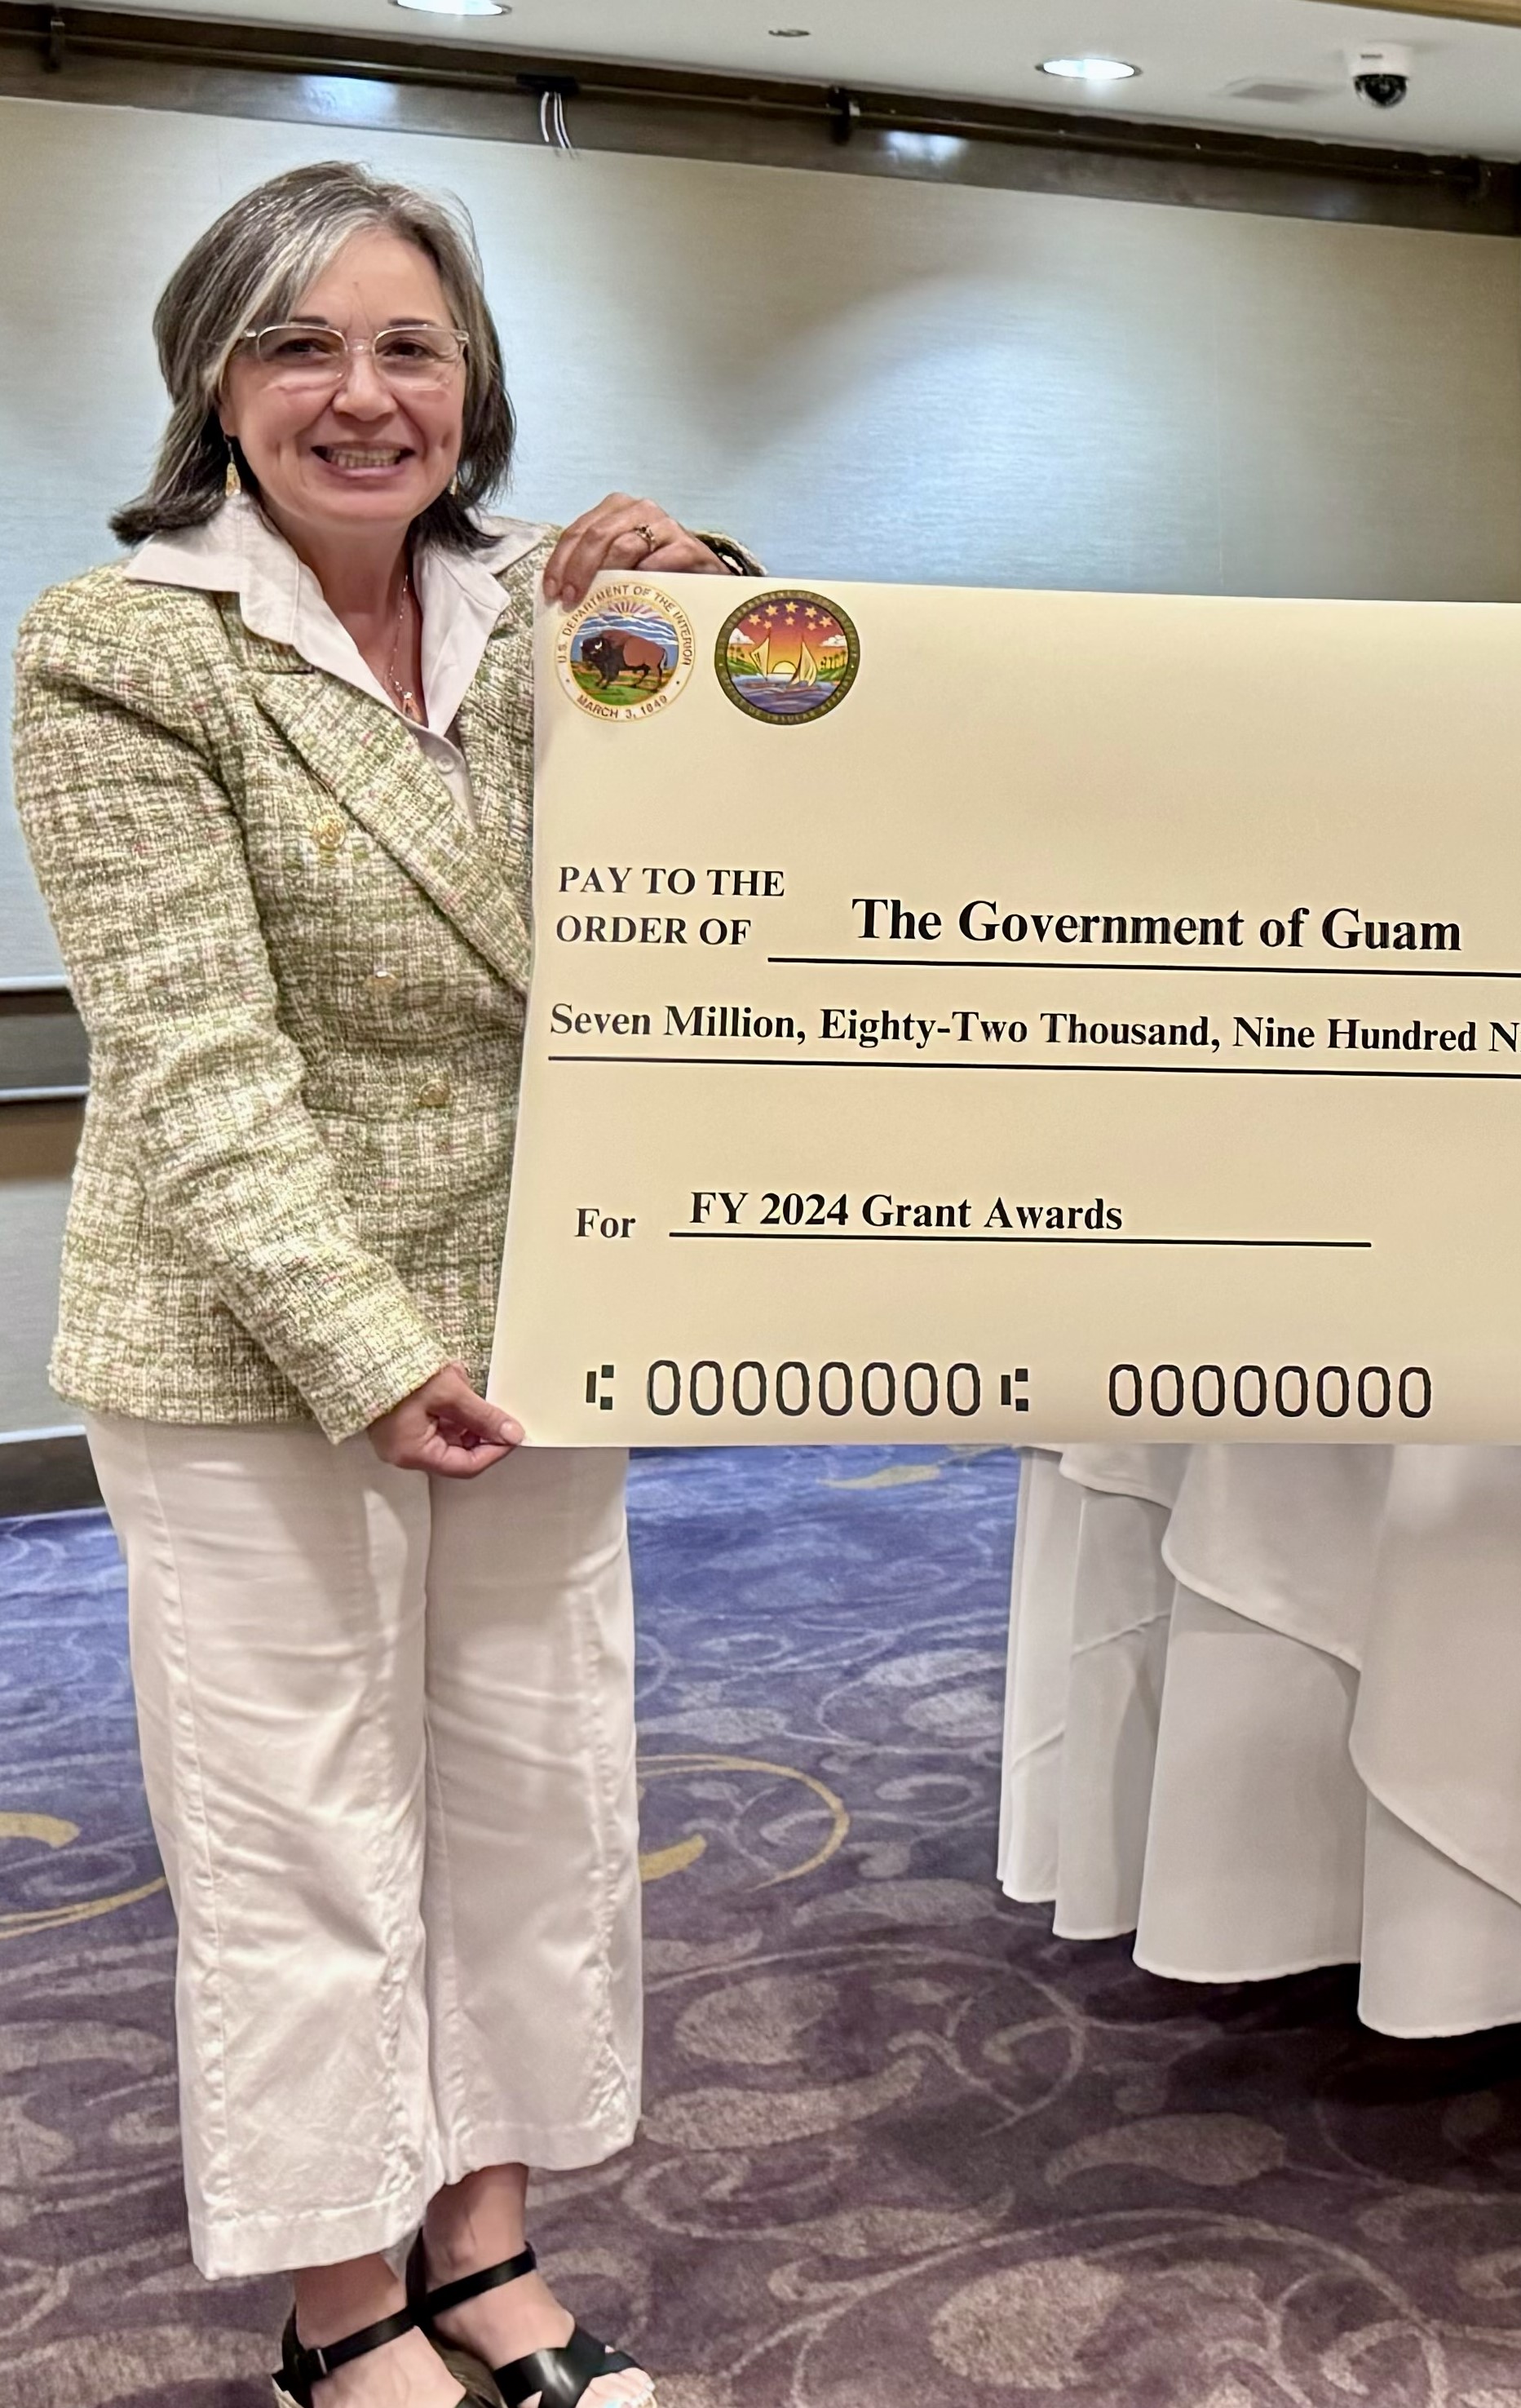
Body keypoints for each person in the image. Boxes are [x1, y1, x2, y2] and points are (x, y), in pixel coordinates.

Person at [11, 162, 749, 2408]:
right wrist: (363, 1343)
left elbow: (774, 825)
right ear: (212, 382)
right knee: (303, 1834)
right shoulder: (121, 643)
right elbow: (190, 1053)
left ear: (472, 380)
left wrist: (717, 592)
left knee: (531, 1799)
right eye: (298, 345)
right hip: (254, 1339)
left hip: (545, 1308)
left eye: (409, 346)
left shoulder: (555, 619)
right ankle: (344, 2306)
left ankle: (487, 2245)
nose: (361, 394)